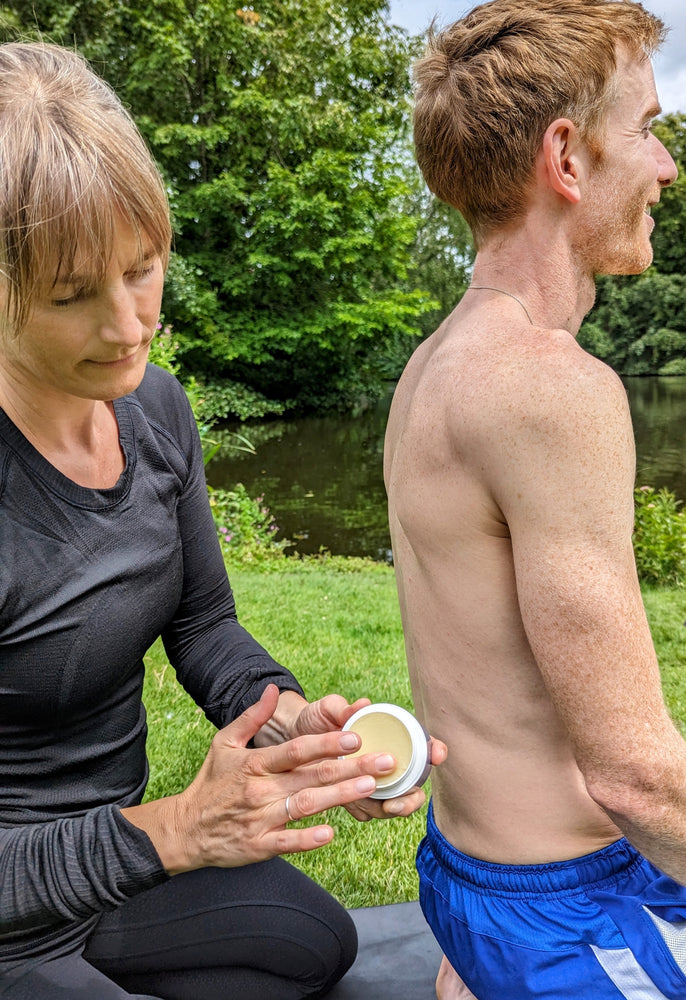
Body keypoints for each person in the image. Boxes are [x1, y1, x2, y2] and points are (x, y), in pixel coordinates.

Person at [0, 42, 447, 1000]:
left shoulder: (155, 411)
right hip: (15, 907)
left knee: (313, 944)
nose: (129, 325)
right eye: (74, 295)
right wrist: (178, 831)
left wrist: (296, 728)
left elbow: (203, 627)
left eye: (144, 268)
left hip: (113, 875)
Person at [383, 1, 686, 997]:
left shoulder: (435, 364)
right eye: (644, 131)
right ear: (566, 157)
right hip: (568, 903)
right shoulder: (550, 388)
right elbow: (633, 778)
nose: (663, 168)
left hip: (472, 870)